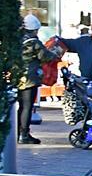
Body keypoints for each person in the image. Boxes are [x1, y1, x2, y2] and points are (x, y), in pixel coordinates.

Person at [17, 14, 60, 144]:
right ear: (35, 29)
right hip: (30, 78)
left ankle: (18, 132)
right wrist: (56, 52)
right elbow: (45, 56)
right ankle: (24, 134)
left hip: (19, 76)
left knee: (21, 106)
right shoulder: (33, 42)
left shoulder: (18, 40)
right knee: (27, 106)